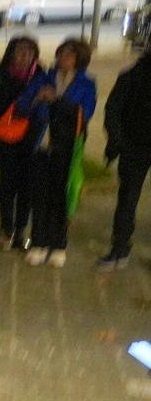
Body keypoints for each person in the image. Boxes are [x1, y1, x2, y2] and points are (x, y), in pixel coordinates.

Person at [18, 37, 97, 268]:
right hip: (40, 145)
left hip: (65, 147)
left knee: (59, 197)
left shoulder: (86, 84)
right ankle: (38, 243)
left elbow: (84, 113)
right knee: (39, 196)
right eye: (61, 53)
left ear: (79, 59)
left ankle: (59, 245)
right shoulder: (44, 78)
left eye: (69, 54)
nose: (63, 58)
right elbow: (22, 106)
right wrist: (36, 98)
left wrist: (57, 100)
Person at [0, 35, 44, 251]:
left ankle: (21, 230)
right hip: (5, 137)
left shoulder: (40, 76)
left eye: (30, 51)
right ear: (11, 53)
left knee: (27, 184)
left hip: (31, 136)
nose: (24, 55)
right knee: (8, 183)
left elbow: (43, 108)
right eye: (20, 50)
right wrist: (26, 98)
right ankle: (6, 228)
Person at [99, 44, 151, 271]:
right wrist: (118, 140)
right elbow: (113, 109)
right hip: (134, 146)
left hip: (133, 145)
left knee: (127, 197)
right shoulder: (132, 76)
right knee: (128, 198)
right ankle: (120, 246)